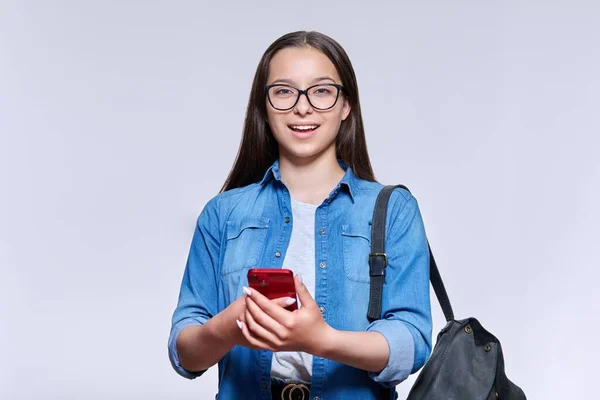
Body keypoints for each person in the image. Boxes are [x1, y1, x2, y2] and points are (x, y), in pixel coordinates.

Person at [168, 30, 433, 400]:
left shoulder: (393, 211)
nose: (302, 107)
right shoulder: (223, 213)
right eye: (284, 91)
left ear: (346, 106)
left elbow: (413, 341)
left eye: (321, 91)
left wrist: (322, 340)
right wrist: (228, 328)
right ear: (263, 106)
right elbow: (184, 352)